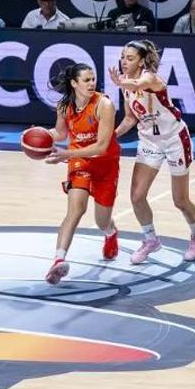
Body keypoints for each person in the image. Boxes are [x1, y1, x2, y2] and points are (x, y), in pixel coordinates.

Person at [108, 40, 195, 263]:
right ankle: (150, 239)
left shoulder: (150, 78)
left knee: (180, 200)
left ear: (142, 61)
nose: (124, 62)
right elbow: (131, 118)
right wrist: (110, 137)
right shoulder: (126, 87)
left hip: (174, 139)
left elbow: (138, 85)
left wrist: (123, 84)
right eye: (123, 57)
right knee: (136, 196)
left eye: (130, 58)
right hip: (149, 141)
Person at [34, 63, 121, 285]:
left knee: (101, 220)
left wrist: (66, 153)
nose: (92, 83)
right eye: (86, 80)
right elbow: (60, 132)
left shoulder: (105, 105)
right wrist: (39, 135)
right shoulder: (64, 105)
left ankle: (110, 232)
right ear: (74, 83)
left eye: (93, 79)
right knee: (76, 209)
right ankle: (58, 260)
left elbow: (101, 147)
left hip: (105, 164)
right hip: (80, 161)